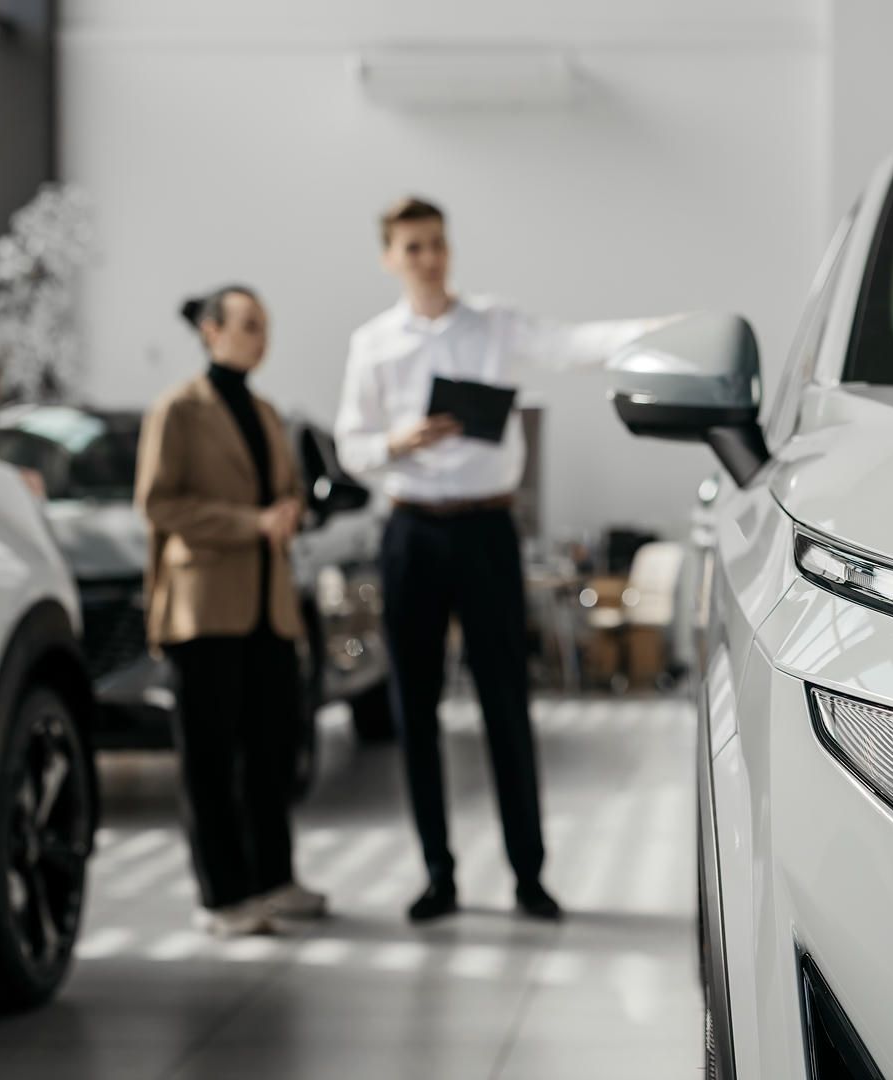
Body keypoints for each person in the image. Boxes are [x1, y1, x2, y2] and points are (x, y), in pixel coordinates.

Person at [335, 196, 668, 923]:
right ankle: (437, 875)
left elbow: (573, 344)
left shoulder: (492, 324)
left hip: (487, 531)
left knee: (505, 703)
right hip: (411, 532)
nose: (429, 257)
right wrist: (400, 441)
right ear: (391, 257)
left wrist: (659, 334)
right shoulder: (373, 344)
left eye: (437, 244)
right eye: (414, 247)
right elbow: (351, 446)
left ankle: (528, 876)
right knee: (413, 708)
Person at [135, 285, 328, 937]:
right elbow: (159, 505)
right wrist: (250, 522)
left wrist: (291, 511)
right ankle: (222, 897)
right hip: (205, 606)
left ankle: (273, 878)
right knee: (210, 758)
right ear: (211, 331)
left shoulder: (269, 411)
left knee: (272, 750)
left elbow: (289, 492)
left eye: (265, 326)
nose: (259, 336)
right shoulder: (179, 410)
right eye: (247, 325)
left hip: (269, 608)